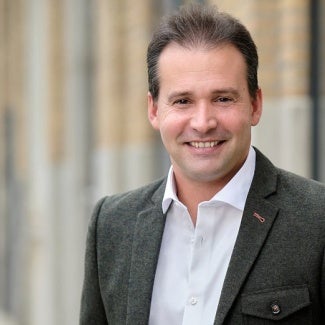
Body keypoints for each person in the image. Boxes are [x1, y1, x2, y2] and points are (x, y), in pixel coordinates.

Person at [80, 4, 325, 324]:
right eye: (182, 101)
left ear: (255, 104)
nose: (203, 122)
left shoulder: (317, 220)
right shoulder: (111, 225)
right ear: (154, 110)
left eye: (223, 98)